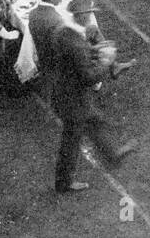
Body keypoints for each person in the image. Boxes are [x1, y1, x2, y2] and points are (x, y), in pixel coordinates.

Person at [48, 10, 138, 193]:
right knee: (71, 142)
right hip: (73, 101)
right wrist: (106, 62)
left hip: (66, 95)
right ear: (80, 16)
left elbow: (74, 56)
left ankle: (113, 154)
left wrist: (93, 51)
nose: (90, 18)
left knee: (95, 122)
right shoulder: (76, 42)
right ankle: (63, 184)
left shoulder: (65, 31)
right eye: (88, 13)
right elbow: (89, 77)